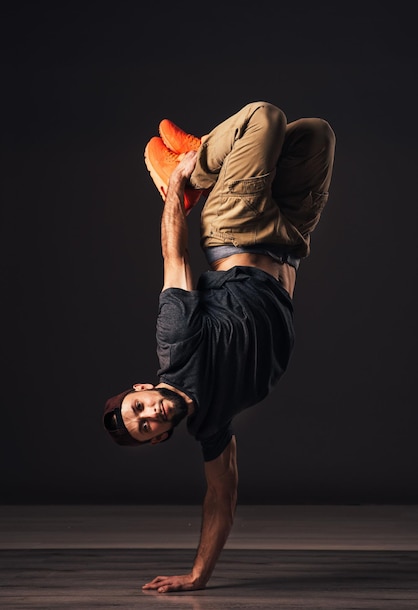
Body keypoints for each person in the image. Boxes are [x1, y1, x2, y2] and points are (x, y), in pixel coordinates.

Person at [103, 101, 336, 593]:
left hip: (235, 231)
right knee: (316, 134)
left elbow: (174, 255)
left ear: (142, 387)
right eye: (144, 426)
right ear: (158, 439)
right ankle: (210, 161)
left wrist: (177, 190)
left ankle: (189, 164)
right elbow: (220, 499)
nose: (149, 414)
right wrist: (196, 576)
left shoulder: (175, 346)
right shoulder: (211, 426)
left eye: (138, 406)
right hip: (288, 243)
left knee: (263, 118)